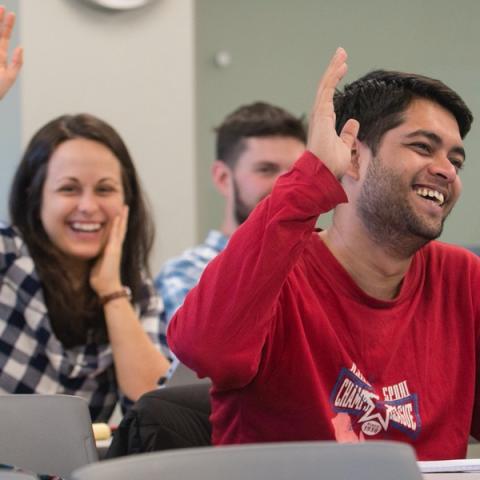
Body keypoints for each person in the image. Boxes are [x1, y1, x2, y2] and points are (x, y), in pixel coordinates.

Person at [168, 47, 479, 461]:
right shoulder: (277, 273)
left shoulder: (463, 278)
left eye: (456, 159)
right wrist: (310, 176)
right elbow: (203, 349)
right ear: (352, 156)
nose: (447, 170)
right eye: (423, 147)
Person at [0, 9, 170, 422]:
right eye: (68, 189)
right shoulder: (7, 255)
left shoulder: (136, 293)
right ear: (34, 196)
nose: (89, 207)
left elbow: (155, 408)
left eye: (105, 189)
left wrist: (111, 291)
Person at [155, 102, 306, 322]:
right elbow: (205, 355)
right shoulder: (186, 274)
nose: (286, 185)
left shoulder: (319, 268)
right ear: (223, 178)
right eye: (266, 170)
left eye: (296, 171)